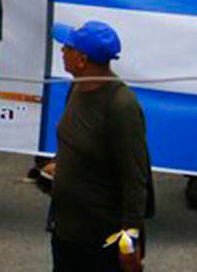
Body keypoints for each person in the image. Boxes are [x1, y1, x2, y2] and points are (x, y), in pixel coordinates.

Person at [48, 20, 151, 271]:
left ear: (82, 59)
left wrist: (129, 243)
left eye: (68, 48)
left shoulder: (121, 106)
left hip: (100, 239)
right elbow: (75, 139)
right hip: (66, 229)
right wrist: (59, 164)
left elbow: (135, 179)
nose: (62, 51)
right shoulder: (77, 87)